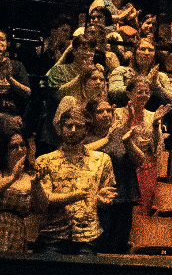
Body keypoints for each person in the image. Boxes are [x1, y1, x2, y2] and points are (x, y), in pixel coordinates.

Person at [33, 104, 115, 256]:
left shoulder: (102, 160)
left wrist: (101, 201)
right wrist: (78, 195)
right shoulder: (45, 161)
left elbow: (105, 200)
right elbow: (44, 201)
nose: (73, 131)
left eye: (79, 126)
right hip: (52, 236)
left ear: (87, 129)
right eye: (68, 126)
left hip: (88, 236)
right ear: (61, 127)